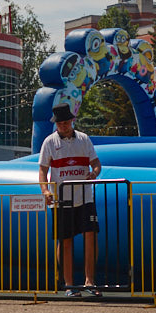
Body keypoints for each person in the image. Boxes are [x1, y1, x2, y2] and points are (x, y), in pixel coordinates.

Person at [38, 104, 102, 297]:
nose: (64, 126)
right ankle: (69, 284)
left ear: (72, 121)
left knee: (90, 236)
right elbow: (42, 170)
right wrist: (45, 191)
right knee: (65, 241)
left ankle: (90, 281)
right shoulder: (49, 142)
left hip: (85, 197)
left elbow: (96, 163)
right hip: (61, 198)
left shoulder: (84, 139)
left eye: (66, 122)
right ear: (56, 124)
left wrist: (94, 173)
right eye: (60, 123)